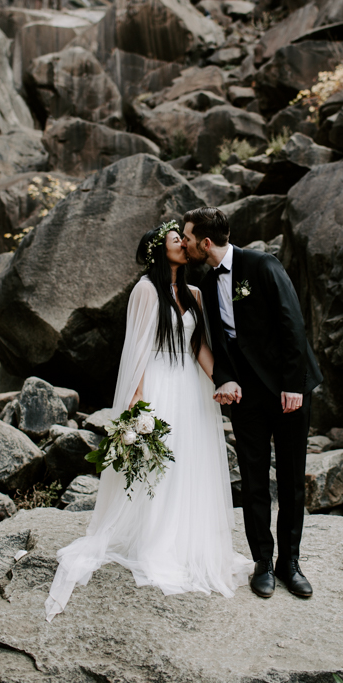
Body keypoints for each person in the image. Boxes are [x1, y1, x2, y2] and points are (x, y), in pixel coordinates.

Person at [45, 220, 251, 620]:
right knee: (160, 461)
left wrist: (223, 381)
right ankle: (155, 541)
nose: (183, 245)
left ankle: (188, 540)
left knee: (191, 461)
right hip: (157, 381)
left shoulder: (193, 293)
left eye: (183, 239)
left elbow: (198, 347)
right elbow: (136, 347)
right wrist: (136, 401)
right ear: (161, 250)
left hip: (189, 386)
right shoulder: (145, 290)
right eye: (177, 240)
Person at [182, 207, 323, 600]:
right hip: (245, 394)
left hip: (288, 390)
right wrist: (225, 376)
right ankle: (263, 561)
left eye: (188, 237)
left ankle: (289, 563)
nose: (186, 243)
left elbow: (292, 323)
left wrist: (293, 385)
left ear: (205, 242)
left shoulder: (262, 264)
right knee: (253, 476)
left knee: (293, 478)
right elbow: (220, 337)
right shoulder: (208, 285)